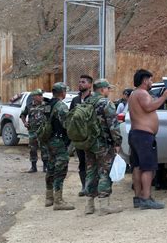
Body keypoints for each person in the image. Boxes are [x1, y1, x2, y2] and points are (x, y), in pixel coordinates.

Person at [128, 69, 167, 210]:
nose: (151, 83)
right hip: (144, 136)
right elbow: (149, 107)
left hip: (136, 134)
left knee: (137, 167)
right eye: (151, 80)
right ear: (145, 80)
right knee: (148, 168)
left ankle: (138, 198)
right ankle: (146, 198)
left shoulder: (133, 94)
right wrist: (165, 96)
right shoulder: (142, 93)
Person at [83, 79, 123, 216]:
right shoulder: (106, 103)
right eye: (108, 89)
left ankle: (89, 205)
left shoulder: (86, 102)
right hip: (103, 145)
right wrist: (117, 142)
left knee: (91, 171)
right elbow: (113, 125)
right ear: (102, 90)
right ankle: (104, 205)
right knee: (105, 172)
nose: (108, 91)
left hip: (88, 143)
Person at [45, 82, 75, 211]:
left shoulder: (47, 105)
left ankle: (49, 197)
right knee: (60, 169)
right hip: (59, 141)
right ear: (62, 92)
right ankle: (58, 200)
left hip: (48, 140)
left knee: (50, 167)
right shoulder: (61, 106)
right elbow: (66, 125)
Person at [69, 75, 93, 196]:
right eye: (79, 82)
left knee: (92, 163)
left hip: (91, 138)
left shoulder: (93, 99)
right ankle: (84, 187)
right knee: (82, 162)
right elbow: (70, 117)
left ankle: (92, 187)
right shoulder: (75, 100)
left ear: (90, 85)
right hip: (79, 138)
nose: (80, 84)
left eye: (83, 82)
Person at [20, 89, 49, 173]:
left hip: (43, 131)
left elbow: (49, 116)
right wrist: (25, 122)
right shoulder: (29, 106)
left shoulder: (46, 105)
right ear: (34, 97)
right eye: (39, 95)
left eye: (41, 95)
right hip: (32, 131)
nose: (41, 97)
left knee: (44, 148)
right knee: (33, 149)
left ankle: (45, 167)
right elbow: (22, 115)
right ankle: (33, 167)